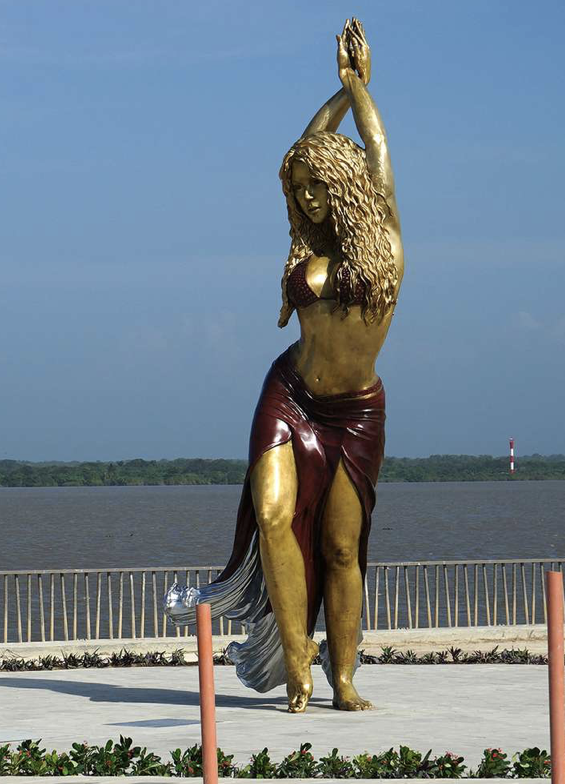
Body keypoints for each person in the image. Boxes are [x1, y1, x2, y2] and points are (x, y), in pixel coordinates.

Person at [167, 18, 403, 713]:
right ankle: (298, 669)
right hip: (290, 393)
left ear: (346, 184)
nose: (305, 198)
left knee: (338, 549)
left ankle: (345, 677)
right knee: (272, 517)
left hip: (354, 414)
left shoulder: (384, 240)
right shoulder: (307, 242)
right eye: (298, 187)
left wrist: (357, 86)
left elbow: (379, 152)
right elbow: (299, 150)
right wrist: (326, 107)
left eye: (316, 185)